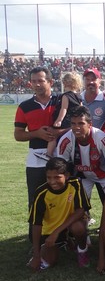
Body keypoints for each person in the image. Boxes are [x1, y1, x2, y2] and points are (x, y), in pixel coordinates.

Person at [15, 66, 60, 239]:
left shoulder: (60, 101)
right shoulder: (25, 106)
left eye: (40, 80)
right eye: (33, 81)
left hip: (60, 155)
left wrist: (58, 132)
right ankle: (35, 238)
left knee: (62, 196)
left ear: (50, 82)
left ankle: (63, 236)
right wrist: (37, 133)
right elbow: (18, 135)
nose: (37, 84)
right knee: (36, 198)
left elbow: (75, 123)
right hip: (35, 158)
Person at [28, 157, 91, 271]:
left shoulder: (76, 184)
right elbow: (36, 223)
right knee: (49, 261)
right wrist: (37, 255)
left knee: (78, 227)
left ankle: (82, 250)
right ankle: (64, 243)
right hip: (50, 231)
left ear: (66, 175)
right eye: (49, 177)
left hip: (69, 225)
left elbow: (81, 210)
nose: (52, 181)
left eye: (57, 177)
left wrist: (57, 232)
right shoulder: (41, 193)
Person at [55, 106, 105, 204]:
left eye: (81, 123)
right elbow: (60, 165)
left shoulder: (101, 137)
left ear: (90, 124)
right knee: (76, 203)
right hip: (83, 175)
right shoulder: (66, 140)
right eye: (73, 124)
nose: (76, 127)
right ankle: (85, 218)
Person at [42, 72, 83, 159]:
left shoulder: (66, 96)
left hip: (65, 120)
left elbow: (64, 108)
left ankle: (48, 153)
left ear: (65, 83)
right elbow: (81, 109)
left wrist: (59, 120)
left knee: (53, 135)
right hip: (73, 120)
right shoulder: (79, 96)